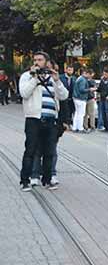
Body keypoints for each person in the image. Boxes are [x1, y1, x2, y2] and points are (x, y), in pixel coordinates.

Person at [18, 52, 69, 191]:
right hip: (34, 119)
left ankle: (47, 179)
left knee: (49, 152)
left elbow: (64, 96)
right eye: (34, 60)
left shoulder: (52, 78)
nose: (36, 62)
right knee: (30, 150)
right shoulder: (27, 76)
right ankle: (25, 180)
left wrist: (57, 81)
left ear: (46, 62)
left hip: (51, 119)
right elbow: (24, 93)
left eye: (39, 60)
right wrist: (34, 78)